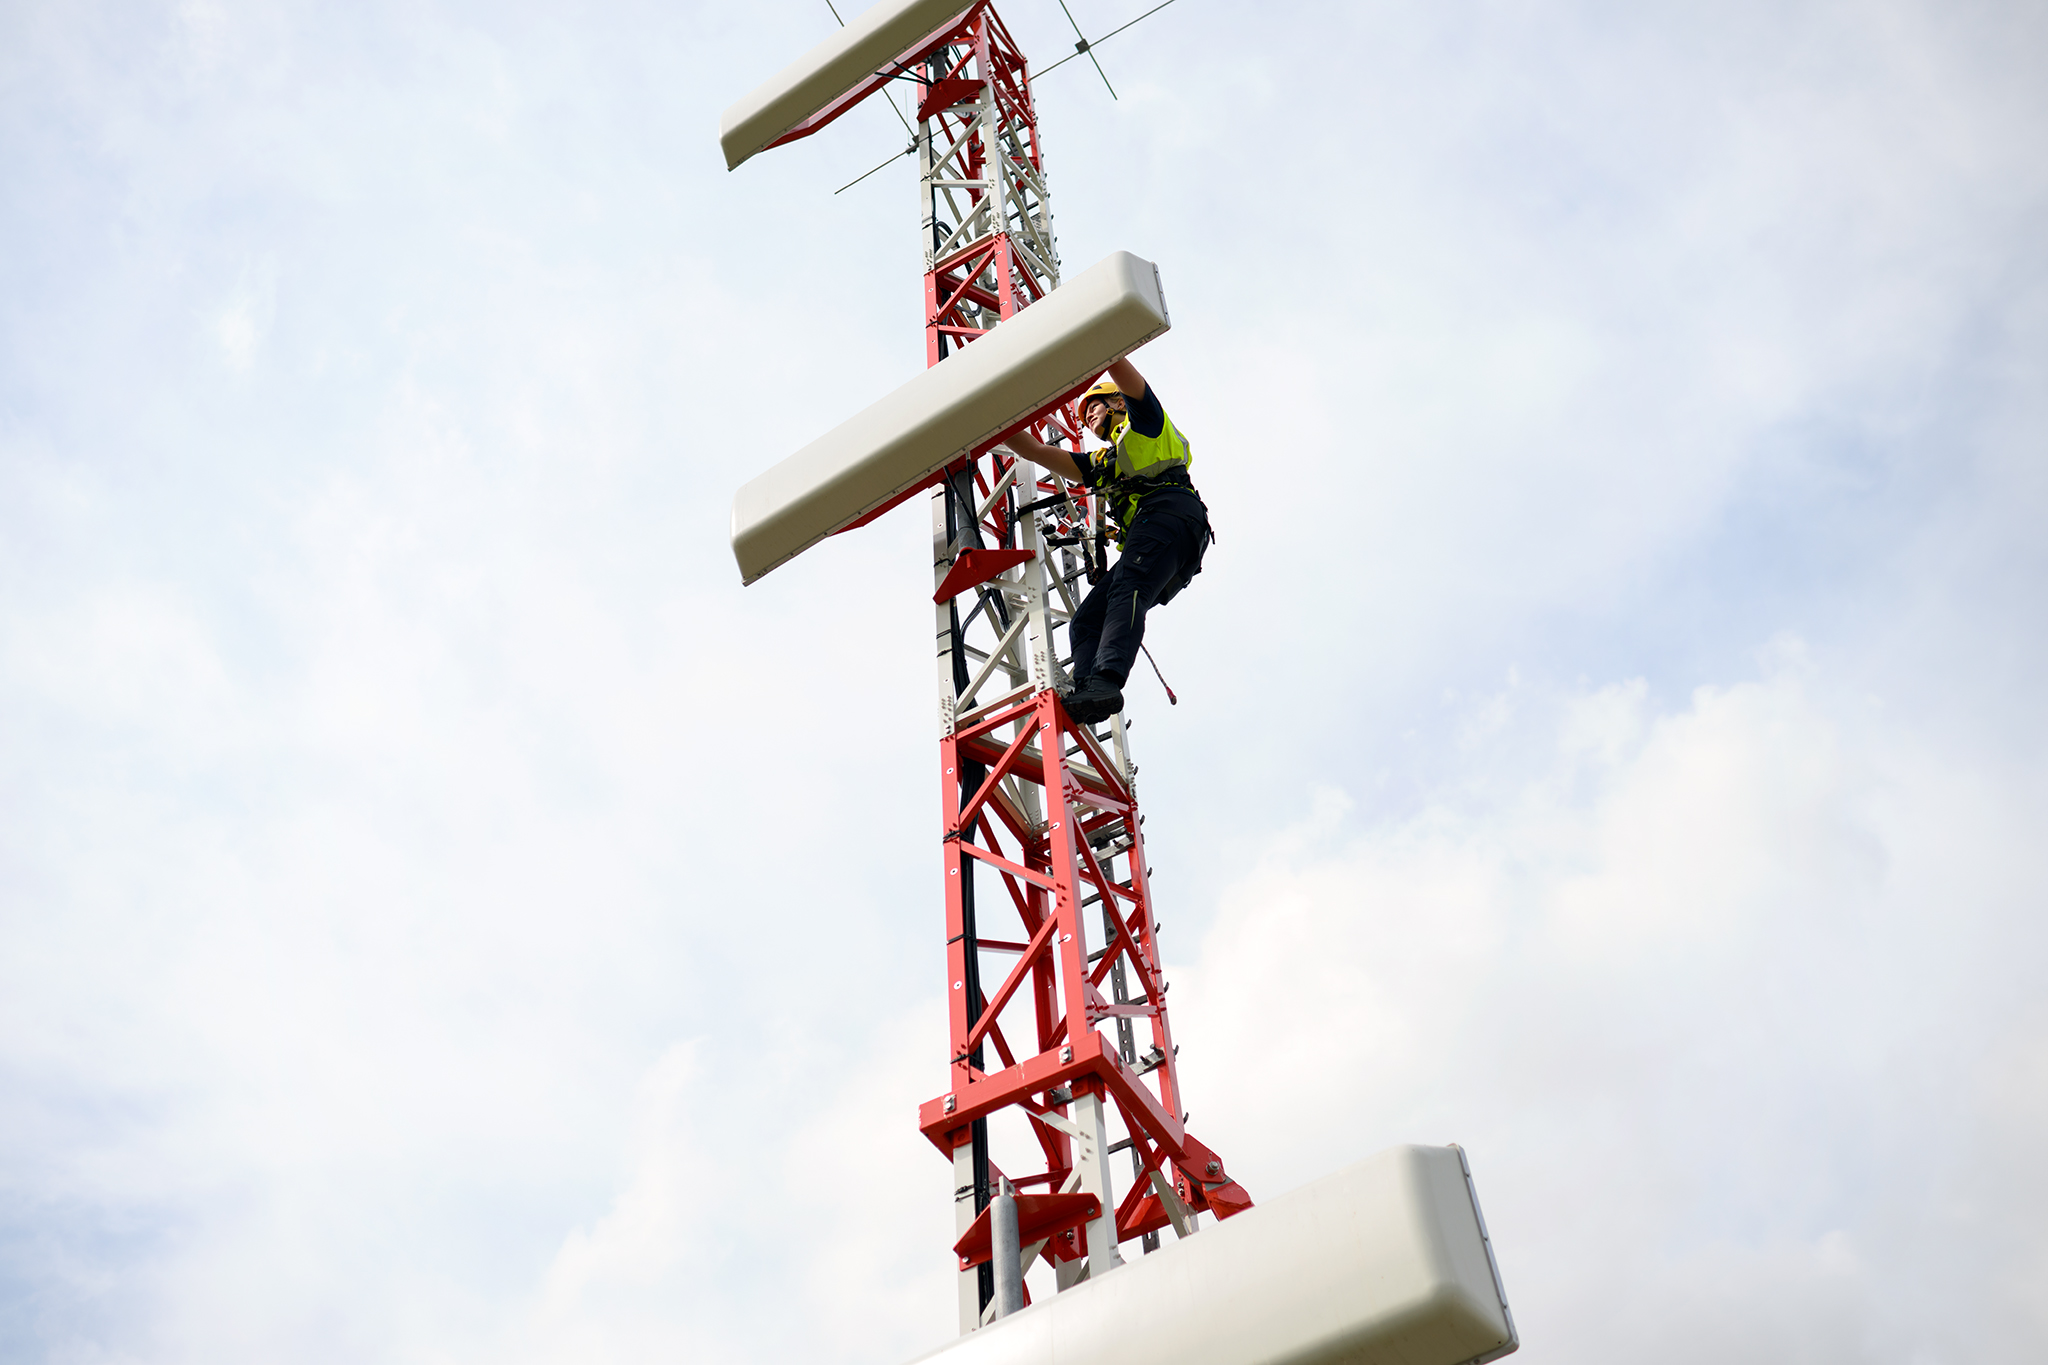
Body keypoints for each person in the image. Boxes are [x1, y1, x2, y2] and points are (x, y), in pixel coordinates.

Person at [1001, 358, 1211, 724]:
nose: (1088, 419)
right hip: (1160, 535)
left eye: (1093, 407)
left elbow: (1121, 367)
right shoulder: (1105, 461)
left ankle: (1108, 679)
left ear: (1116, 402)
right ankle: (1088, 689)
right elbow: (1035, 452)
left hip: (1171, 515)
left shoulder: (1147, 423)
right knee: (1085, 620)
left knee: (1128, 588)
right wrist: (990, 420)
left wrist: (1101, 347)